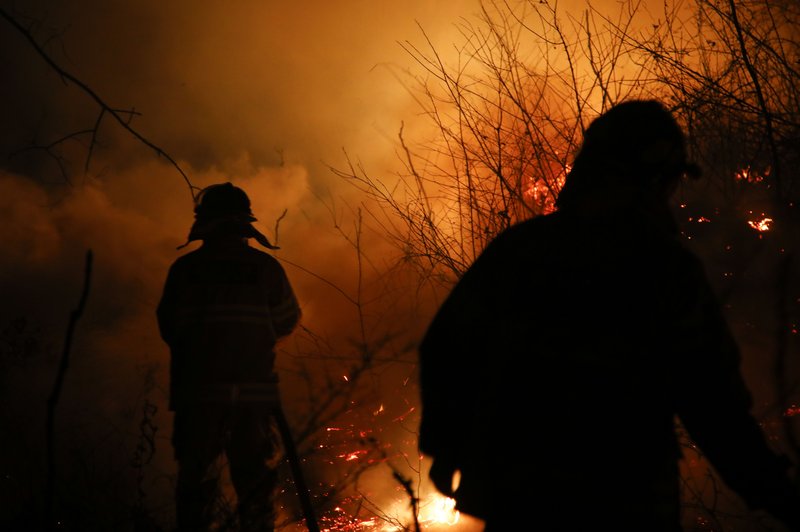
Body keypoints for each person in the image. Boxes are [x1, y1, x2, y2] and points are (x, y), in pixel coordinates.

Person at [417, 100, 800, 531]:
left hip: (521, 501)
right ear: (654, 178)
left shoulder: (520, 249)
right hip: (625, 500)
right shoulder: (661, 267)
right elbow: (710, 399)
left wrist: (447, 446)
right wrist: (775, 492)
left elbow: (448, 348)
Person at [157, 182, 301, 532]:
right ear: (244, 224)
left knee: (196, 483)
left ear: (204, 223)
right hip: (253, 396)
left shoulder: (185, 270)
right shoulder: (266, 269)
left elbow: (169, 328)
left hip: (199, 396)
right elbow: (287, 320)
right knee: (253, 485)